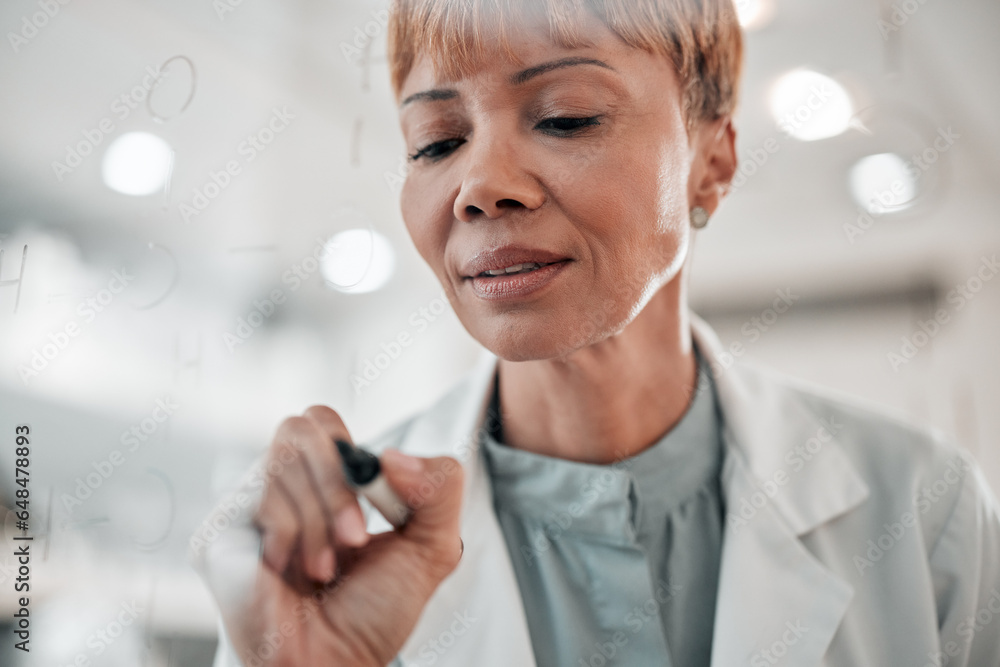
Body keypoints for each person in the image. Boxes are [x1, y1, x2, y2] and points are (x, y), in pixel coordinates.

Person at [192, 0, 1000, 665]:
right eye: (437, 141)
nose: (480, 186)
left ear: (712, 162)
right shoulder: (328, 556)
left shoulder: (926, 509)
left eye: (567, 117)